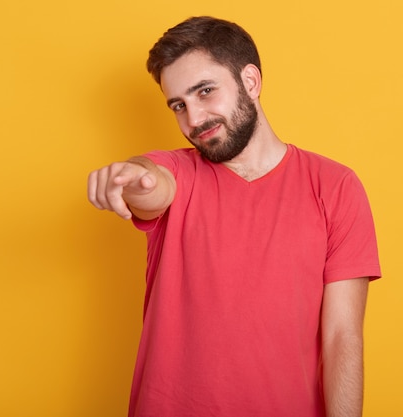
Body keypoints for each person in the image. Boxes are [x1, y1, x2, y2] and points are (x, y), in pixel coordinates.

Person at [87, 16, 381, 417]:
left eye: (205, 91)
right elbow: (152, 185)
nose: (193, 120)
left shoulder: (335, 186)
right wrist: (135, 178)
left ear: (251, 82)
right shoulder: (178, 172)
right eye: (179, 105)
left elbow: (342, 338)